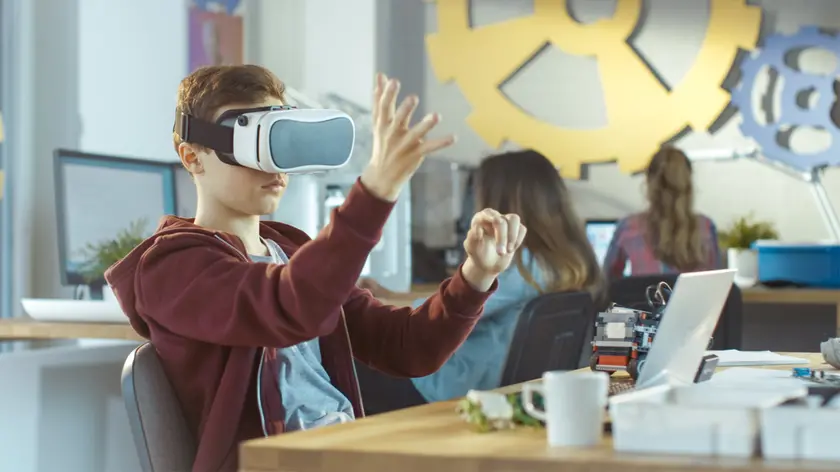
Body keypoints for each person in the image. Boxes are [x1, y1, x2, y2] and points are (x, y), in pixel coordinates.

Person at [105, 65, 528, 472]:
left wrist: (476, 276)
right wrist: (375, 191)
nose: (272, 165)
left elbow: (407, 347)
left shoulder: (290, 250)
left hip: (339, 449)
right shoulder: (171, 267)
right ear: (192, 157)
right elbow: (287, 306)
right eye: (251, 143)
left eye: (280, 141)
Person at [359, 150, 605, 405]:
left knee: (358, 356)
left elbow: (440, 313)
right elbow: (462, 299)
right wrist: (391, 296)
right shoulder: (564, 261)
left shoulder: (517, 264)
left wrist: (368, 304)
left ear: (498, 200)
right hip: (509, 382)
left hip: (462, 383)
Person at [603, 145, 722, 279]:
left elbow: (607, 282)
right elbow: (718, 286)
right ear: (688, 184)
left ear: (648, 182)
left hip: (646, 299)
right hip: (696, 300)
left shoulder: (629, 227)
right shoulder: (705, 227)